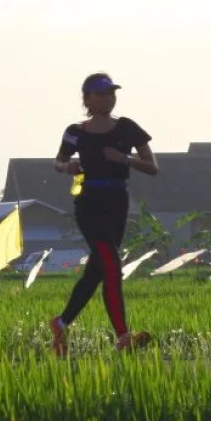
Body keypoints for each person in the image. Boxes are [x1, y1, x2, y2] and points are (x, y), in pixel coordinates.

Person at [49, 73, 159, 355]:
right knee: (112, 265)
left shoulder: (127, 128)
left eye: (111, 93)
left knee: (97, 271)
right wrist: (67, 167)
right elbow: (58, 161)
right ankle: (123, 336)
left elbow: (152, 166)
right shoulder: (76, 131)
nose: (108, 98)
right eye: (101, 94)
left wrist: (124, 158)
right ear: (87, 99)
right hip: (89, 203)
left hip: (117, 203)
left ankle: (61, 324)